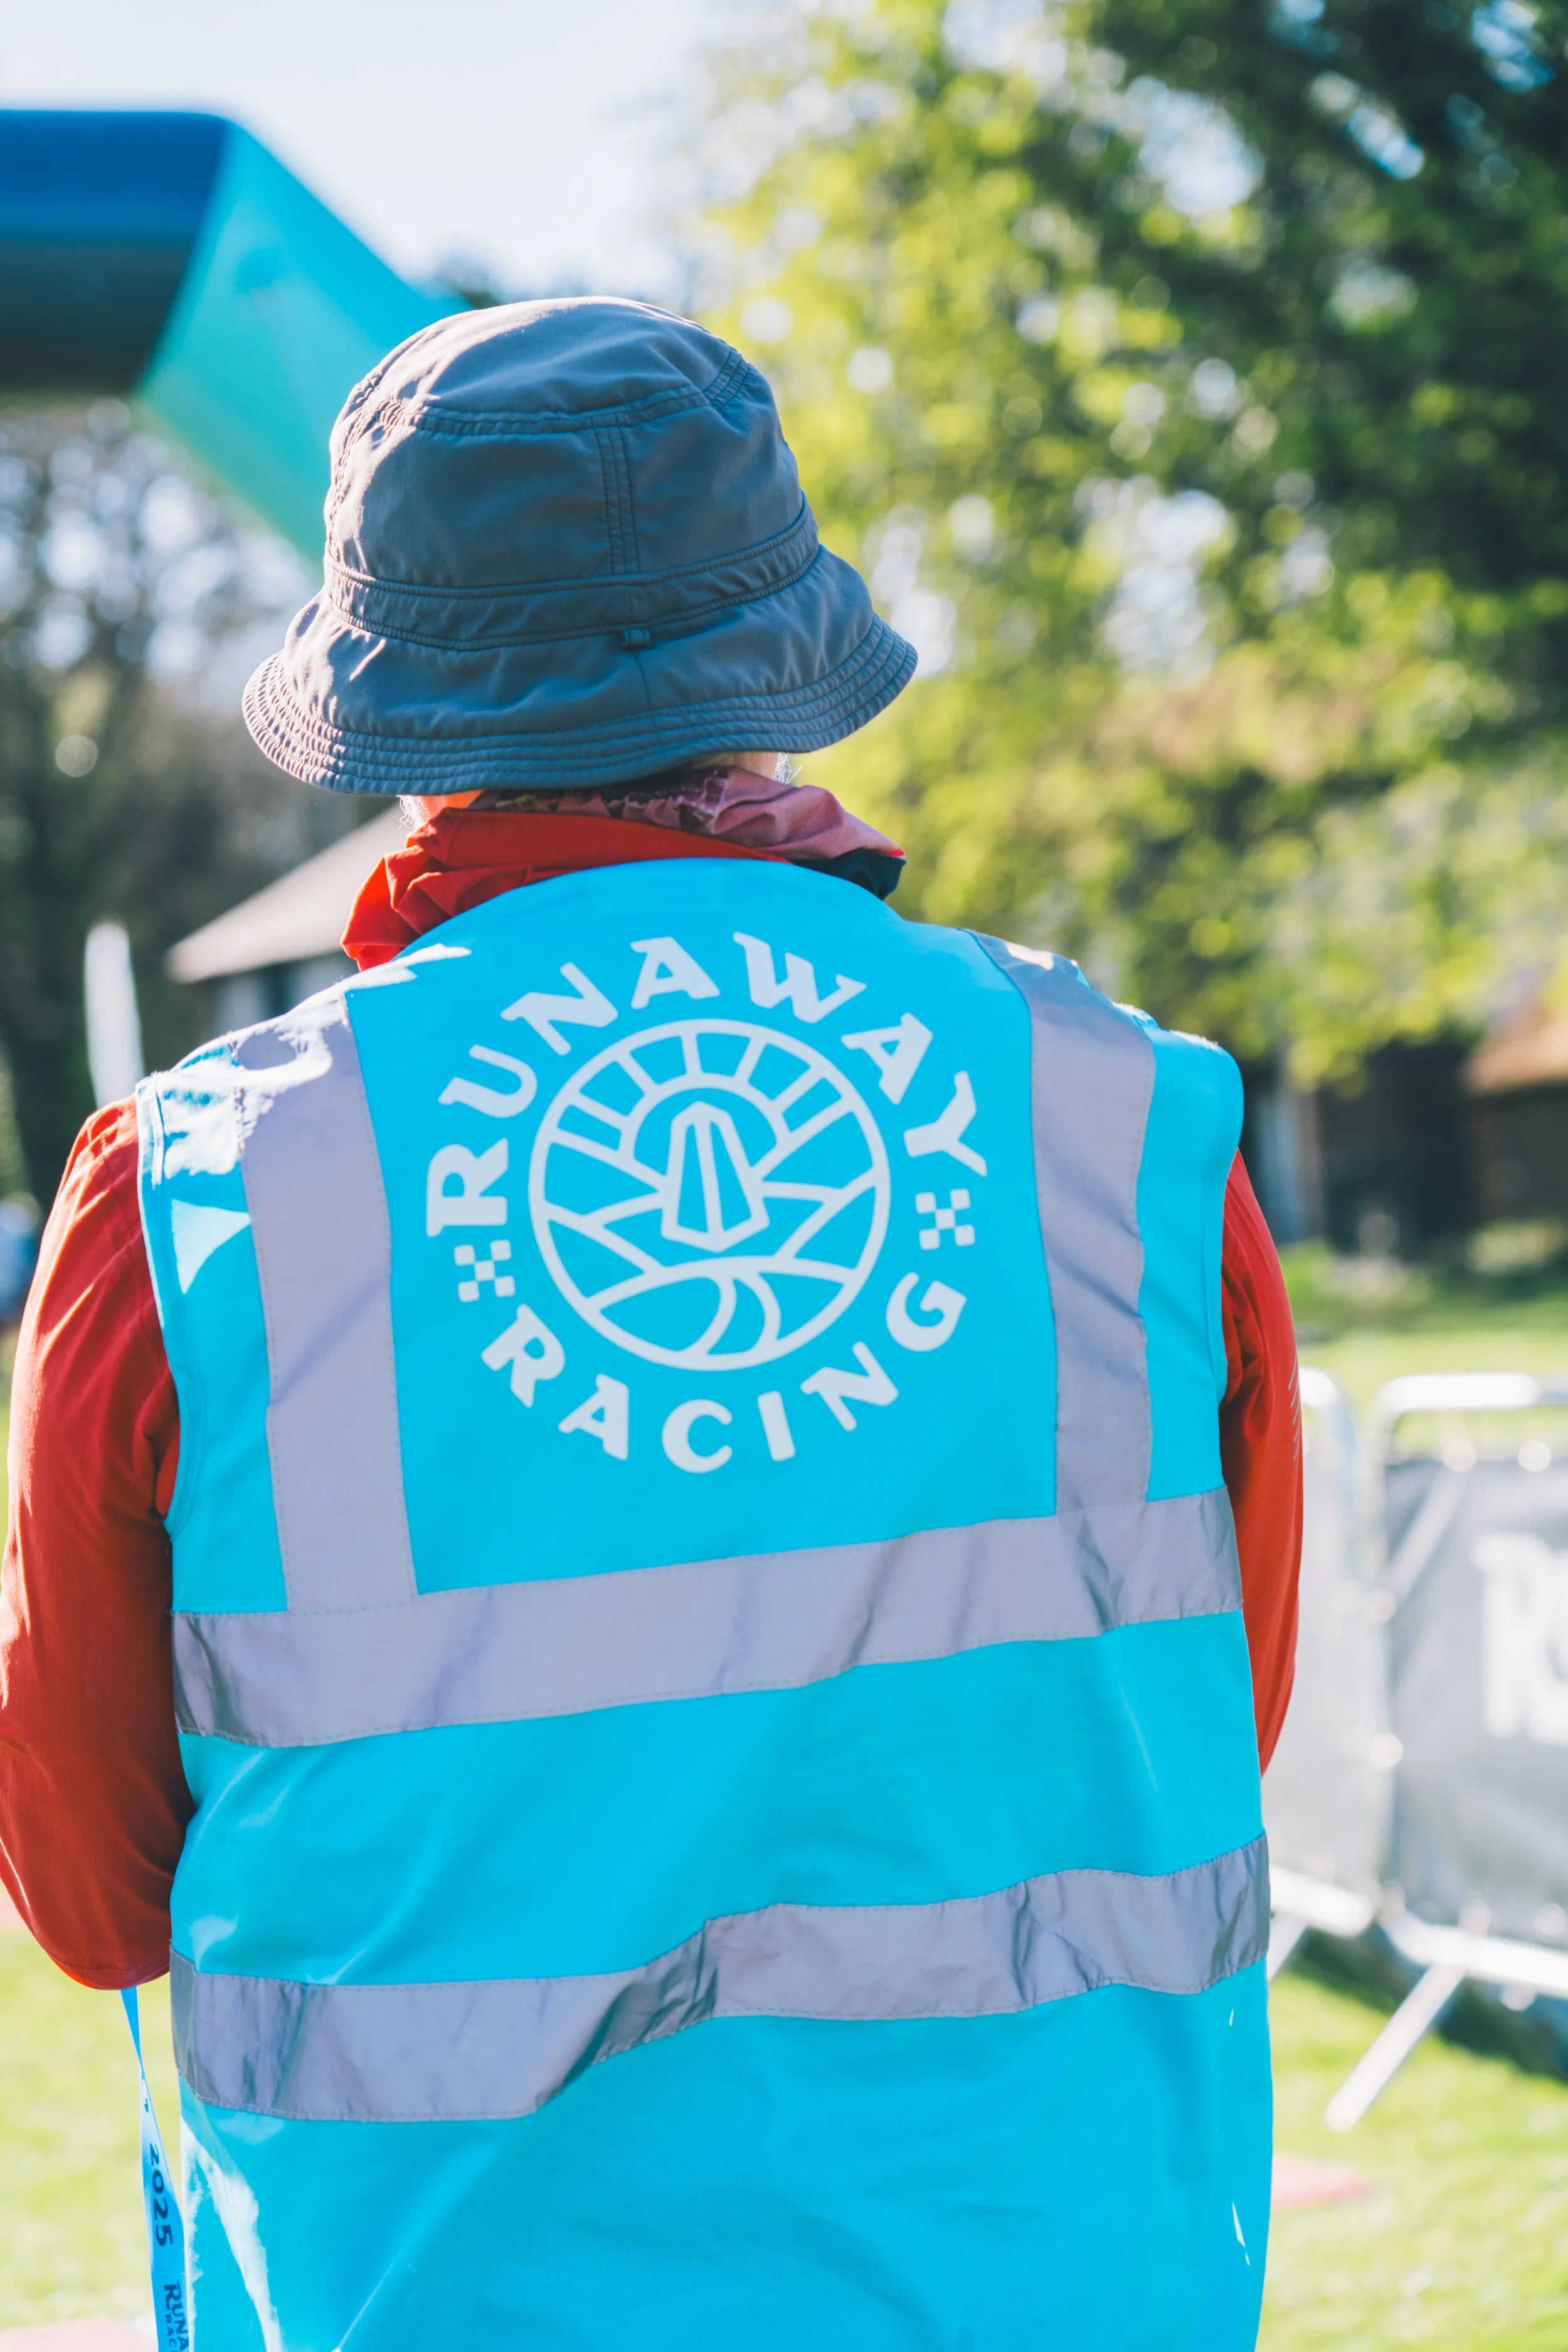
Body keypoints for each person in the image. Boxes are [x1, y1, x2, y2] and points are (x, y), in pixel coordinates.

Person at [1, 299, 1301, 2350]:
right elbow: (1201, 1719)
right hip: (1061, 2283)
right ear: (778, 680)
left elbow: (90, 1892)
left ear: (394, 709)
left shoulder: (192, 1188)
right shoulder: (1123, 1120)